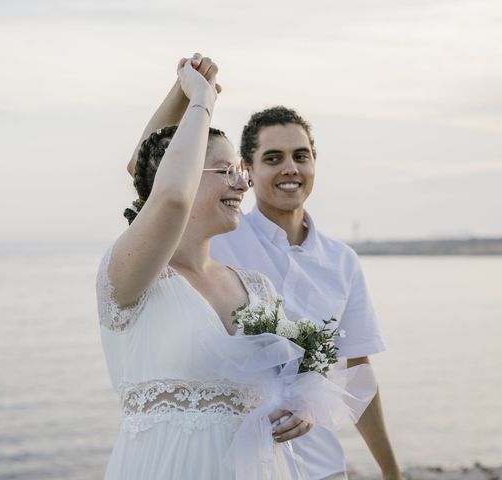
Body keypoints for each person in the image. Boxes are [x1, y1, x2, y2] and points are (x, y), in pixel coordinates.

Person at [98, 54, 302, 479]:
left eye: (241, 170)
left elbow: (288, 384)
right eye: (226, 170)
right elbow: (167, 192)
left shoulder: (258, 287)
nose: (243, 184)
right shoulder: (130, 279)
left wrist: (300, 410)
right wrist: (199, 99)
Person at [210, 106, 401, 480]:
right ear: (246, 170)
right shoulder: (217, 243)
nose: (290, 168)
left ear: (314, 163)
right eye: (273, 158)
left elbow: (357, 372)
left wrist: (392, 472)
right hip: (238, 463)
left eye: (301, 156)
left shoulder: (342, 261)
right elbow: (152, 183)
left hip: (321, 467)